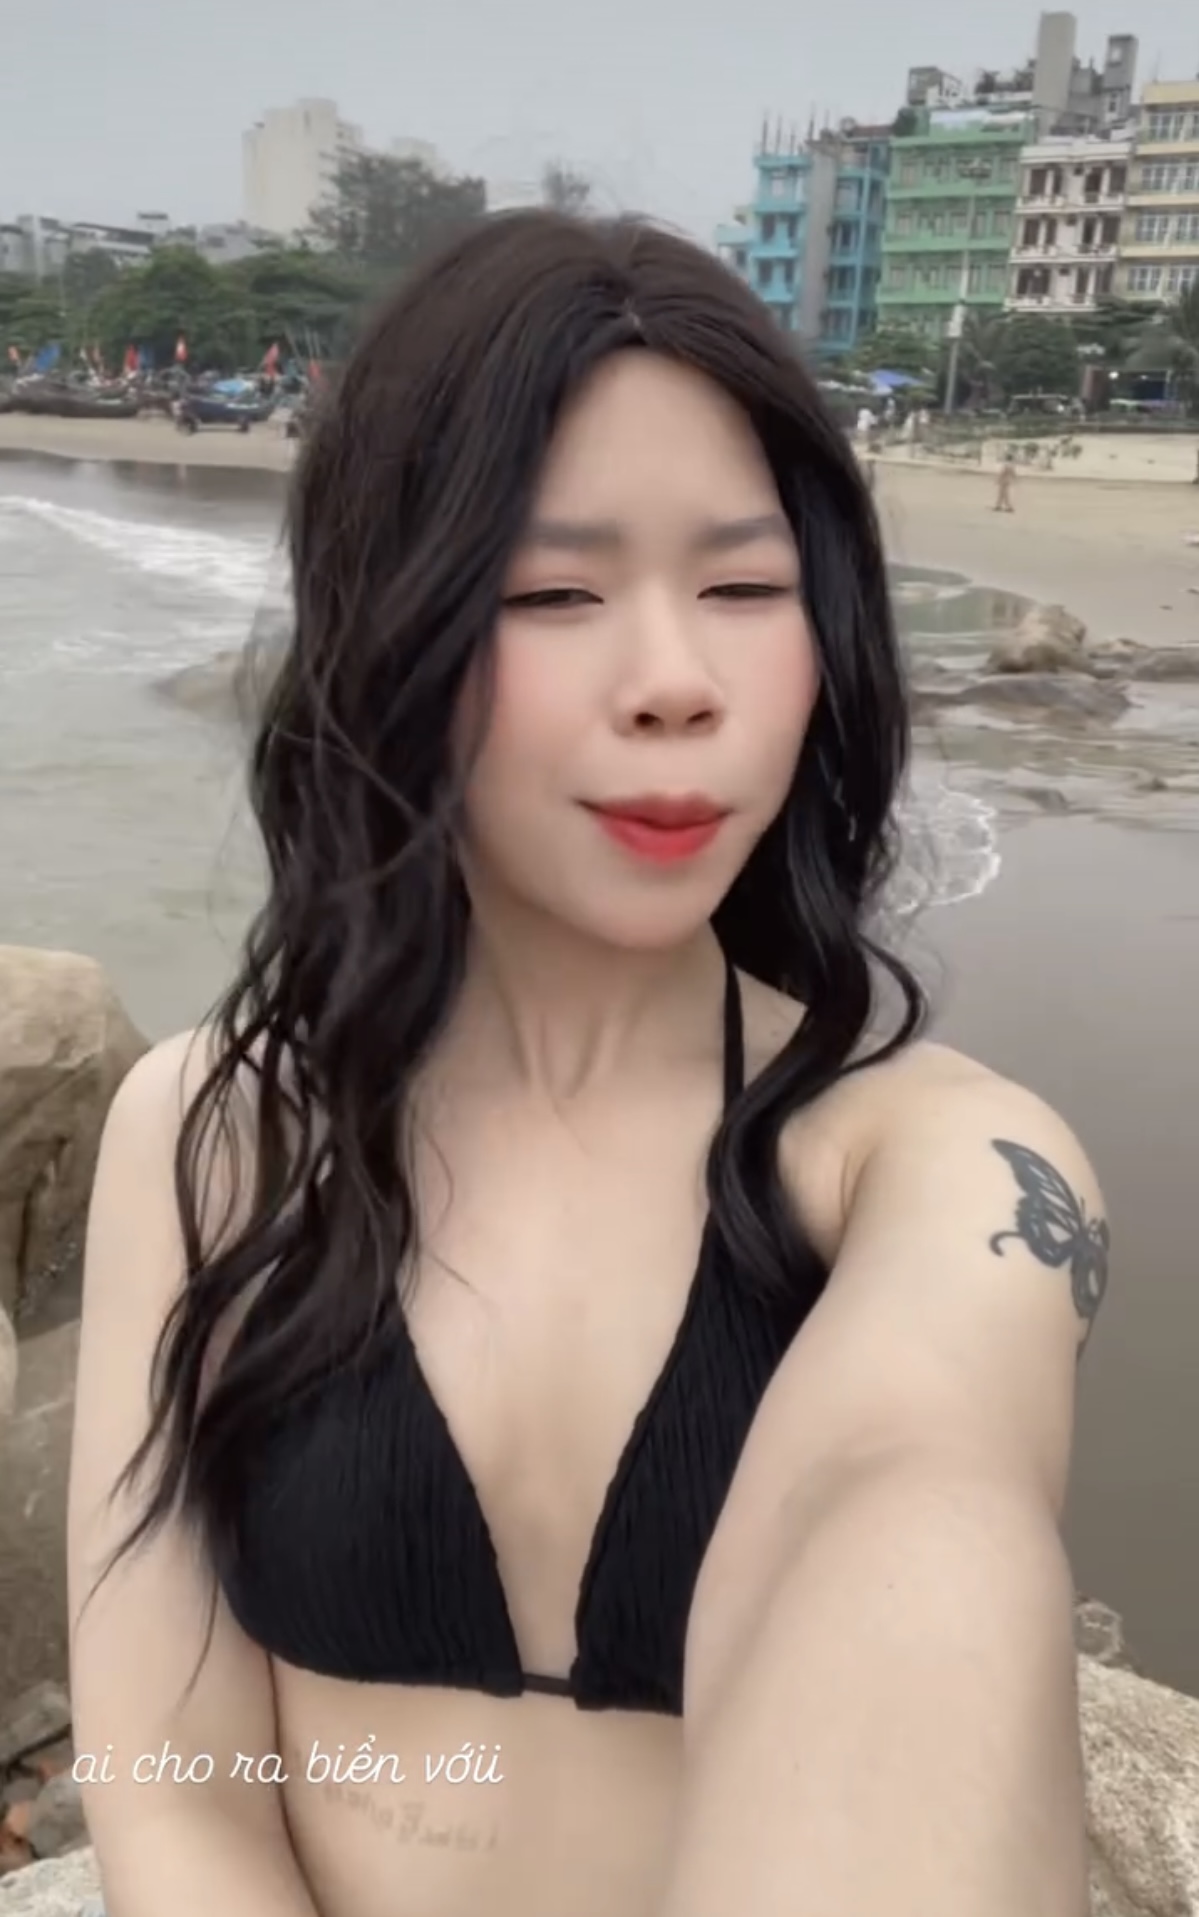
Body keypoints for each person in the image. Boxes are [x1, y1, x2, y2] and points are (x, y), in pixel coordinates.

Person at [67, 211, 1103, 1917]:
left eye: (745, 588)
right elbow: (179, 1788)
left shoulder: (938, 1162)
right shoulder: (222, 1134)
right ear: (387, 627)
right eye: (554, 592)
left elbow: (919, 1508)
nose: (676, 683)